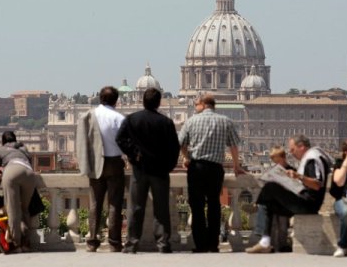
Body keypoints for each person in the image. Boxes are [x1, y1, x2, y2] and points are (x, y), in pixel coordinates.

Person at [178, 94, 246, 253]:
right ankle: (213, 244)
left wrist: (186, 157)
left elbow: (181, 143)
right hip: (215, 168)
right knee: (214, 204)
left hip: (196, 168)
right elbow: (234, 146)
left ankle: (200, 244)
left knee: (197, 206)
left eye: (196, 104)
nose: (195, 107)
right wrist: (236, 166)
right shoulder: (225, 121)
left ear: (202, 104)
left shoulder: (191, 121)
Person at [116, 88, 180, 254]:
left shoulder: (132, 119)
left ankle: (131, 243)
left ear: (143, 101)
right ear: (159, 103)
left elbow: (120, 139)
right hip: (160, 171)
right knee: (161, 209)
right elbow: (174, 148)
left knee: (136, 208)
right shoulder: (166, 122)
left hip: (140, 170)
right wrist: (169, 166)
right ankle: (163, 243)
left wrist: (133, 153)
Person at [246, 135, 332, 253]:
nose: (291, 153)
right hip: (304, 200)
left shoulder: (312, 159)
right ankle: (264, 242)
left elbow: (317, 184)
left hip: (309, 203)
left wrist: (298, 176)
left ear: (301, 146)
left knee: (271, 187)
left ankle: (256, 206)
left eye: (292, 149)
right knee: (268, 202)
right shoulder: (310, 158)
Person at [76, 86, 126, 252]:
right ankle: (114, 242)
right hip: (115, 163)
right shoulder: (119, 118)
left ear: (100, 98)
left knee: (95, 203)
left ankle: (91, 241)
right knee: (115, 204)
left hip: (95, 163)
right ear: (116, 100)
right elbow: (126, 143)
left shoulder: (89, 116)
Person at [0, 131, 36, 253]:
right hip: (28, 173)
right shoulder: (23, 147)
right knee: (24, 208)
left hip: (12, 171)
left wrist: (0, 168)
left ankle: (16, 244)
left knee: (13, 210)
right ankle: (26, 243)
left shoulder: (0, 149)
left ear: (3, 140)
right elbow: (30, 163)